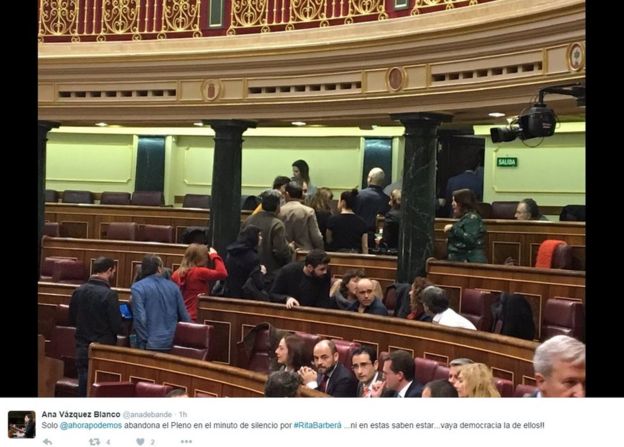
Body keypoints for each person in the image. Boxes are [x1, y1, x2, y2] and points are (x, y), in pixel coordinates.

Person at [69, 256, 122, 397]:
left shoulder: (78, 291)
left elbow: (71, 318)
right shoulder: (109, 295)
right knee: (97, 390)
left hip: (81, 346)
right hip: (102, 350)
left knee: (83, 387)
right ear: (109, 270)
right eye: (113, 271)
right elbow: (116, 326)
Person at [131, 254, 191, 351]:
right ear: (159, 269)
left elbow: (140, 318)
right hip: (172, 343)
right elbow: (185, 317)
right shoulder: (174, 287)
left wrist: (144, 341)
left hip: (149, 343)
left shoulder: (137, 287)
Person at [243, 189, 295, 279]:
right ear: (278, 206)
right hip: (270, 272)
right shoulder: (277, 224)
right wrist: (290, 248)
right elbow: (280, 251)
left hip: (249, 270)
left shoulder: (249, 219)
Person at [171, 243, 227, 321]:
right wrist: (214, 256)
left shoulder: (176, 274)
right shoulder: (199, 272)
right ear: (201, 259)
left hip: (180, 316)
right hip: (196, 316)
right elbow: (222, 273)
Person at [223, 225, 268, 300]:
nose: (261, 238)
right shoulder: (253, 258)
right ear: (253, 237)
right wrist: (262, 272)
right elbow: (259, 284)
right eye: (259, 235)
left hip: (228, 295)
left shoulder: (231, 252)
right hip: (244, 298)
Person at [444, 188, 487, 263]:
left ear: (463, 202)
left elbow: (470, 240)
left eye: (455, 201)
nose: (452, 204)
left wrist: (453, 228)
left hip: (470, 263)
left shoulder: (473, 218)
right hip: (460, 261)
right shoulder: (465, 218)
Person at [278, 181, 324, 250]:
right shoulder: (308, 211)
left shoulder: (279, 211)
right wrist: (320, 249)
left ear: (287, 194)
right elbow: (316, 236)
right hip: (305, 253)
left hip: (285, 252)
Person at [354, 167, 391, 248]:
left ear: (369, 179)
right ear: (382, 181)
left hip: (358, 236)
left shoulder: (358, 195)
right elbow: (384, 222)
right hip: (377, 238)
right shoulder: (387, 200)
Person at [326, 189, 368, 253]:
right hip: (355, 256)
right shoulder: (362, 222)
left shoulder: (332, 219)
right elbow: (365, 245)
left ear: (343, 202)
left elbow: (328, 240)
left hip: (337, 255)